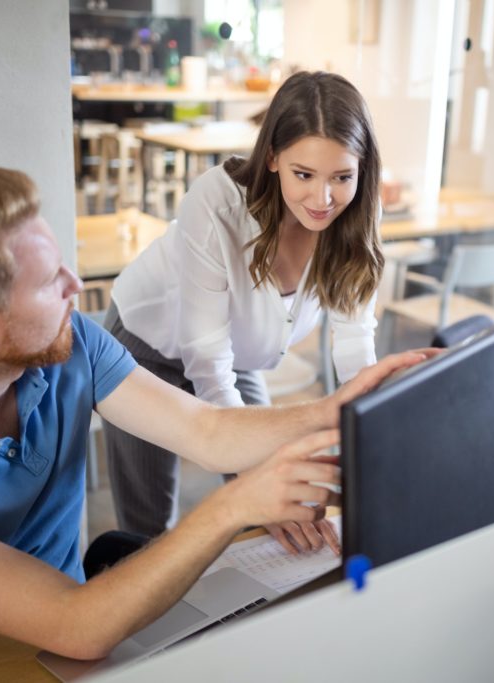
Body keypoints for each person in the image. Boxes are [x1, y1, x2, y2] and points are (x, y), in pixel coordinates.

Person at [0, 168, 428, 654]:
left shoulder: (69, 343)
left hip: (80, 622)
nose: (77, 287)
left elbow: (207, 429)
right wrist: (235, 504)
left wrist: (336, 407)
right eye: (51, 281)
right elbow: (76, 627)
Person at [104, 71, 384, 554]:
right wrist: (254, 480)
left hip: (235, 358)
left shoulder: (355, 212)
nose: (323, 200)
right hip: (144, 348)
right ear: (272, 157)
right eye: (304, 175)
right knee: (150, 530)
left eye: (342, 177)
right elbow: (207, 365)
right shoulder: (215, 202)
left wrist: (373, 443)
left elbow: (356, 347)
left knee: (280, 502)